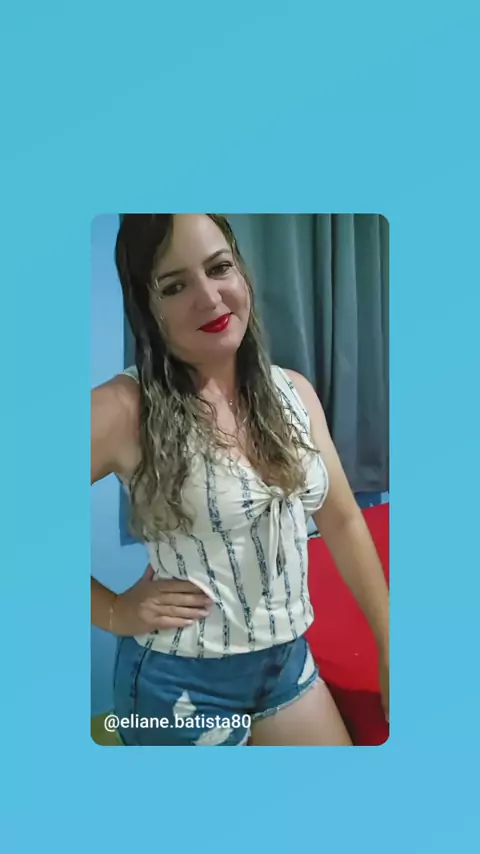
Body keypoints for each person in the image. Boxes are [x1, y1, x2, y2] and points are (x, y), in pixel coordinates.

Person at [91, 214, 389, 746]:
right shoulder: (122, 408)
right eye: (175, 286)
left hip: (286, 663)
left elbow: (343, 521)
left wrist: (390, 642)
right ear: (145, 305)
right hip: (178, 682)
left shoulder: (295, 393)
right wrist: (112, 610)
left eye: (219, 268)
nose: (209, 298)